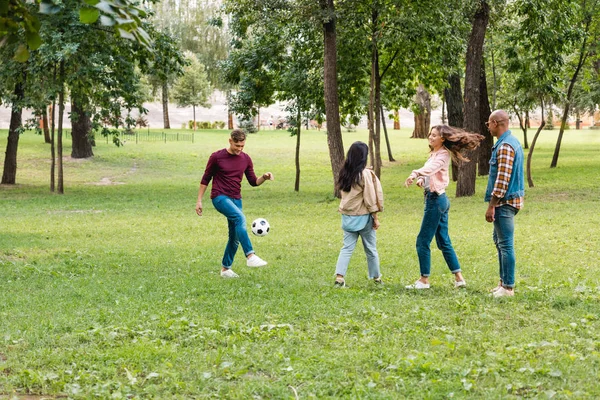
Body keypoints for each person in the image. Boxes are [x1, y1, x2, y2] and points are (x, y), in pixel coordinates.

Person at [404, 125, 484, 289]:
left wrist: (415, 173)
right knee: (443, 241)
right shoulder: (434, 153)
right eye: (430, 134)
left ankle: (424, 281)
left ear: (442, 139)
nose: (431, 137)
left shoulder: (442, 155)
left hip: (436, 202)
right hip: (439, 199)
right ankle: (459, 278)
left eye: (434, 135)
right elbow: (432, 174)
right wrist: (422, 180)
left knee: (422, 241)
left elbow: (431, 169)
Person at [196, 129, 274, 278]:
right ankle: (250, 255)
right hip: (219, 197)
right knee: (240, 219)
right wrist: (199, 200)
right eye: (237, 145)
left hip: (236, 199)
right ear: (230, 141)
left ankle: (225, 269)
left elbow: (253, 181)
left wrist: (264, 177)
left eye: (242, 146)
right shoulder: (217, 157)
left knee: (234, 236)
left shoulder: (245, 159)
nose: (239, 149)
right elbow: (206, 179)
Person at [485, 110, 524, 297]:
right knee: (499, 242)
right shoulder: (511, 142)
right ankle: (503, 283)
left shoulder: (505, 146)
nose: (488, 128)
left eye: (488, 124)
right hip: (508, 201)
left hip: (504, 202)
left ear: (495, 123)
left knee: (506, 244)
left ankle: (508, 287)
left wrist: (492, 205)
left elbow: (502, 181)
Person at [333, 142, 384, 288]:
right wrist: (375, 217)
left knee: (346, 248)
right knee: (370, 248)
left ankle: (339, 278)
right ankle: (376, 278)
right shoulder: (365, 174)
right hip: (363, 217)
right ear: (364, 157)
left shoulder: (344, 172)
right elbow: (369, 198)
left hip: (347, 217)